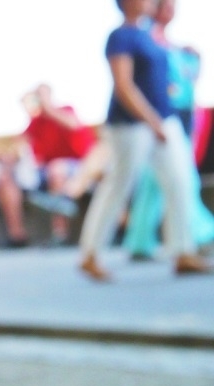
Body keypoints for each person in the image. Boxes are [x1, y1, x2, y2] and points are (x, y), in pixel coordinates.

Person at [77, 0, 209, 281]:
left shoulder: (151, 37)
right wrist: (152, 122)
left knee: (181, 182)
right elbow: (124, 86)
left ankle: (183, 250)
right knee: (119, 184)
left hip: (165, 121)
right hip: (133, 124)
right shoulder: (120, 36)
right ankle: (90, 253)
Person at [123, 0, 214, 260]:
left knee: (155, 182)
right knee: (182, 178)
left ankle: (139, 242)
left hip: (178, 116)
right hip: (160, 117)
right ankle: (202, 234)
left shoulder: (168, 43)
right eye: (166, 5)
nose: (172, 10)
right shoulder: (144, 37)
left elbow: (187, 80)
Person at [0, 85, 103, 247]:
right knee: (3, 178)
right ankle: (14, 235)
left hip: (76, 168)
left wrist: (47, 107)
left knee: (56, 169)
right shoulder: (35, 123)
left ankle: (60, 234)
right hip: (42, 172)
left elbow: (73, 125)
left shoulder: (65, 110)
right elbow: (17, 148)